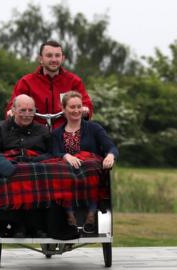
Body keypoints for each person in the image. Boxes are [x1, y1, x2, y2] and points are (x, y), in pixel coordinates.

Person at [0, 94, 52, 237]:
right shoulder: (0, 127)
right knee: (7, 177)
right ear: (13, 110)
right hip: (10, 166)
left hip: (35, 168)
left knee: (41, 176)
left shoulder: (42, 130)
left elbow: (52, 152)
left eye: (31, 110)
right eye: (22, 110)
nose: (27, 114)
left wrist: (34, 162)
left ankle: (37, 226)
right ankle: (16, 225)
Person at [52, 91, 119, 233]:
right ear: (63, 109)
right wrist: (66, 156)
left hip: (89, 172)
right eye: (72, 107)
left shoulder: (94, 128)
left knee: (90, 165)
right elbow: (53, 152)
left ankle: (91, 215)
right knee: (61, 168)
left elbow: (111, 147)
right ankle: (69, 216)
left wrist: (110, 156)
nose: (76, 110)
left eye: (79, 106)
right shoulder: (57, 133)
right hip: (68, 174)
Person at [5, 40, 94, 128]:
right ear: (40, 59)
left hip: (66, 132)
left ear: (62, 58)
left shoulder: (74, 81)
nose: (54, 59)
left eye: (57, 55)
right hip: (33, 133)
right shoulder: (26, 82)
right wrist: (11, 112)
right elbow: (13, 105)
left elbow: (86, 104)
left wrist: (85, 109)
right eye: (49, 55)